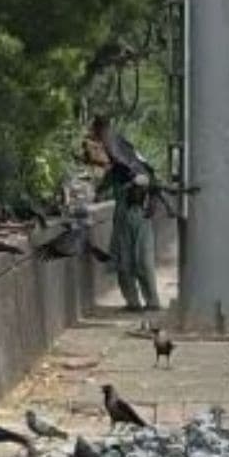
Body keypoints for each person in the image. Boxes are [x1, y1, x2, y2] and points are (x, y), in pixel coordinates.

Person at [86, 116, 160, 312]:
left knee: (144, 259)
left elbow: (151, 177)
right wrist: (95, 192)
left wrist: (152, 201)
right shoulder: (115, 167)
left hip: (140, 214)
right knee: (123, 260)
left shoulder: (128, 153)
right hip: (122, 215)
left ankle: (152, 301)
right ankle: (133, 302)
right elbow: (103, 185)